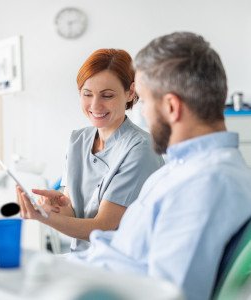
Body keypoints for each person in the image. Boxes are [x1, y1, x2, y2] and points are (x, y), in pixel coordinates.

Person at [67, 32, 251, 300]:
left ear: (171, 107)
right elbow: (120, 250)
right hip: (89, 274)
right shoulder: (180, 169)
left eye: (144, 101)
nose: (142, 113)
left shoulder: (206, 184)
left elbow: (169, 294)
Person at [17, 48, 164, 252]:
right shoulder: (78, 140)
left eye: (107, 95)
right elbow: (73, 212)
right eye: (87, 94)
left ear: (130, 92)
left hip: (121, 267)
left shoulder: (141, 148)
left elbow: (102, 227)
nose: (95, 105)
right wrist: (57, 207)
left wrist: (45, 217)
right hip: (84, 260)